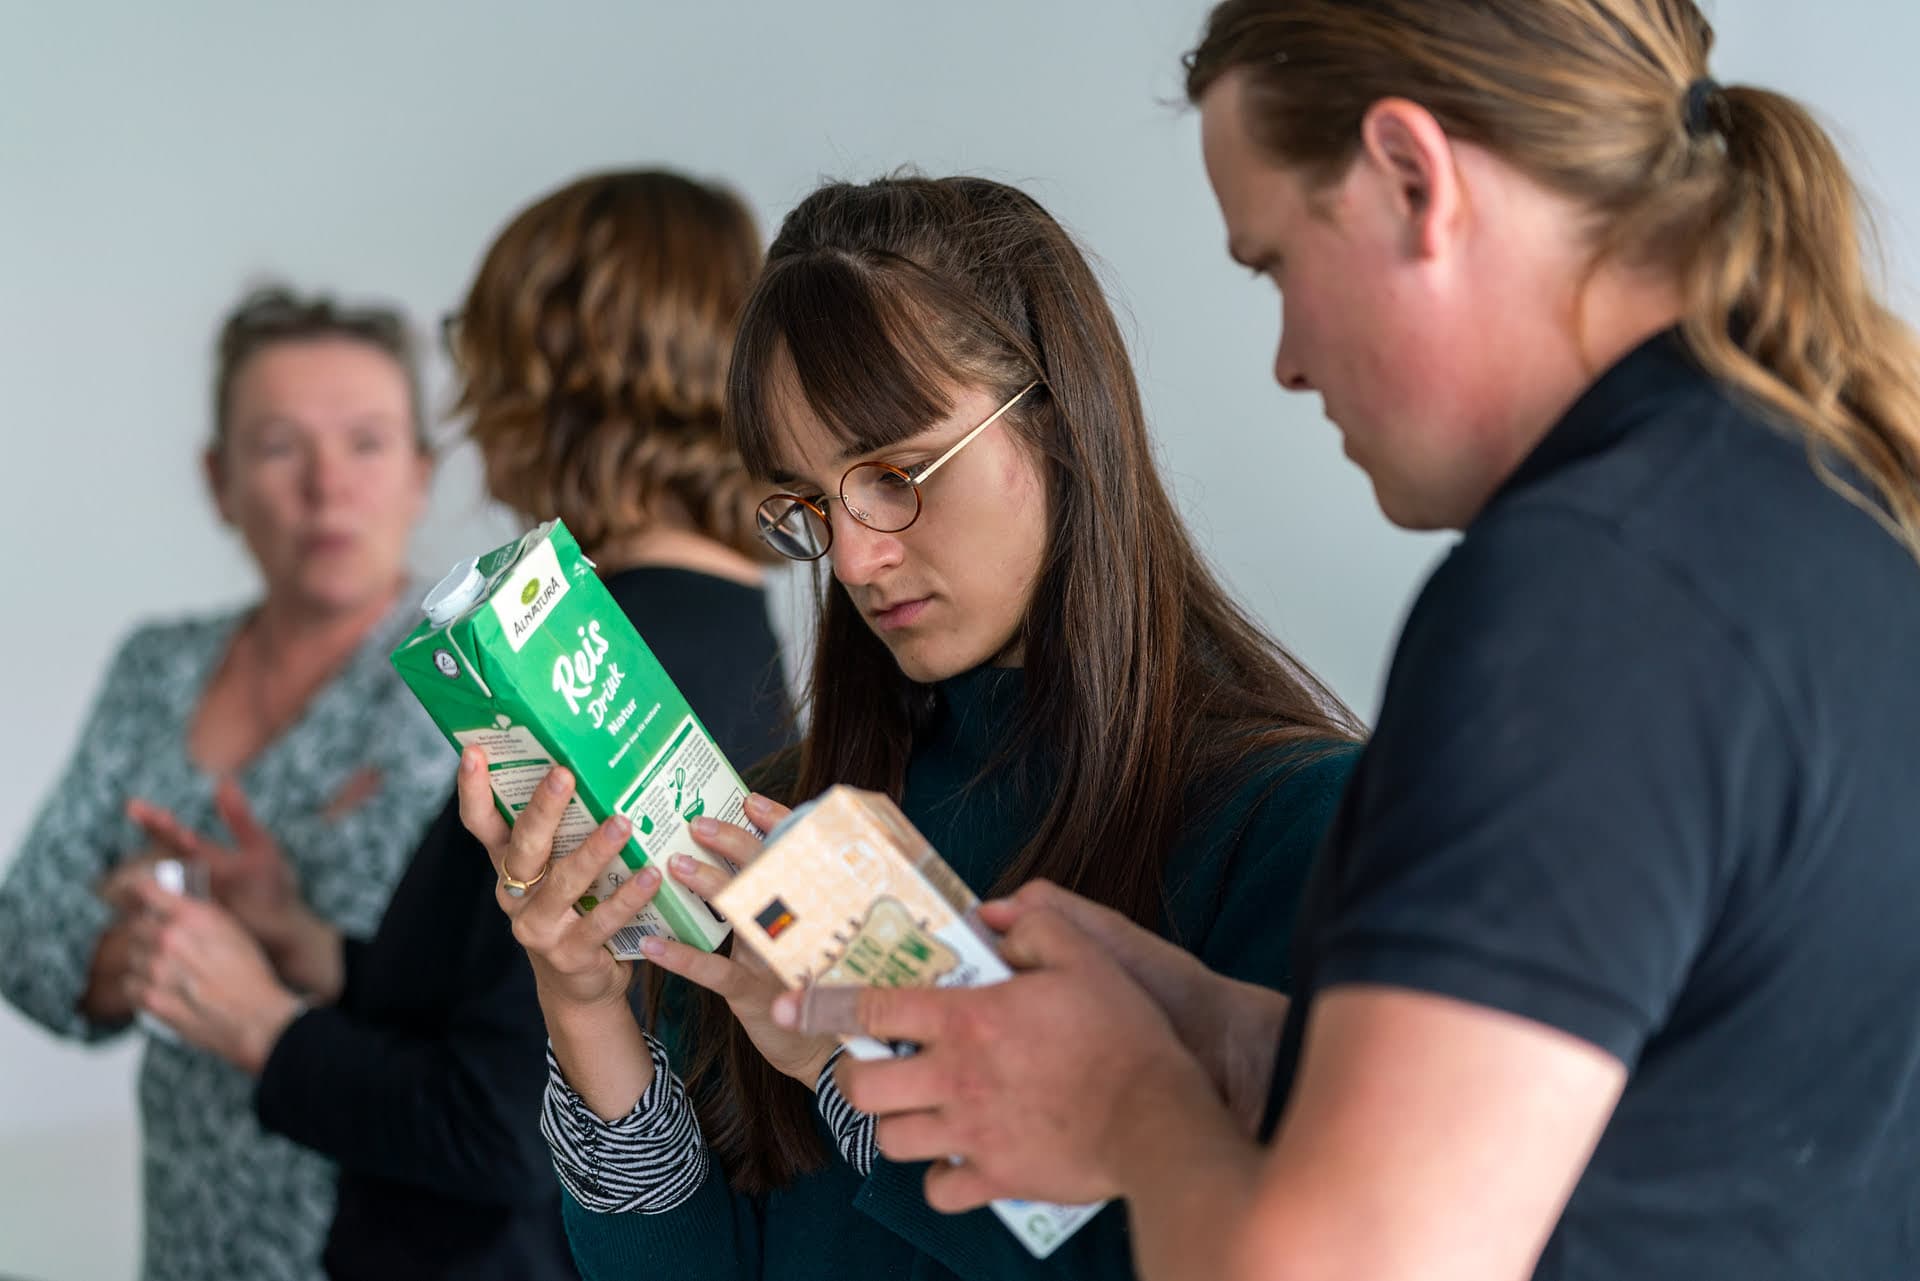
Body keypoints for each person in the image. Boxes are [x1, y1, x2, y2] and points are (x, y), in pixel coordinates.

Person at [804, 4, 1920, 1280]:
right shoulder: (1833, 506)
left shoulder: (1585, 599)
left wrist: (1128, 1109)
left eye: (1275, 263)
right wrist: (1221, 1043)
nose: (1285, 361)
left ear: (1410, 178)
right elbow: (1671, 1140)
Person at [457, 172, 1366, 1281]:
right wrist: (588, 1009)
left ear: (1058, 420)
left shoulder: (1292, 819)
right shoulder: (780, 815)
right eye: (808, 504)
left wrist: (848, 1077)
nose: (853, 558)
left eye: (893, 475)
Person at [123, 168, 793, 1281]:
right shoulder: (699, 632)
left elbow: (502, 1121)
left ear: (550, 371)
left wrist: (262, 1026)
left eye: (474, 343)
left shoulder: (605, 674)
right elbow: (514, 990)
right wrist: (320, 954)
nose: (466, 396)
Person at [0, 285, 450, 1281]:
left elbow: (482, 1008)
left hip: (398, 1230)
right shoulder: (157, 665)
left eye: (367, 443)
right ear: (218, 479)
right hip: (194, 1232)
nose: (326, 487)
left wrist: (261, 935)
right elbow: (23, 921)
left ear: (423, 472)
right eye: (281, 446)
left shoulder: (469, 678)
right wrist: (146, 949)